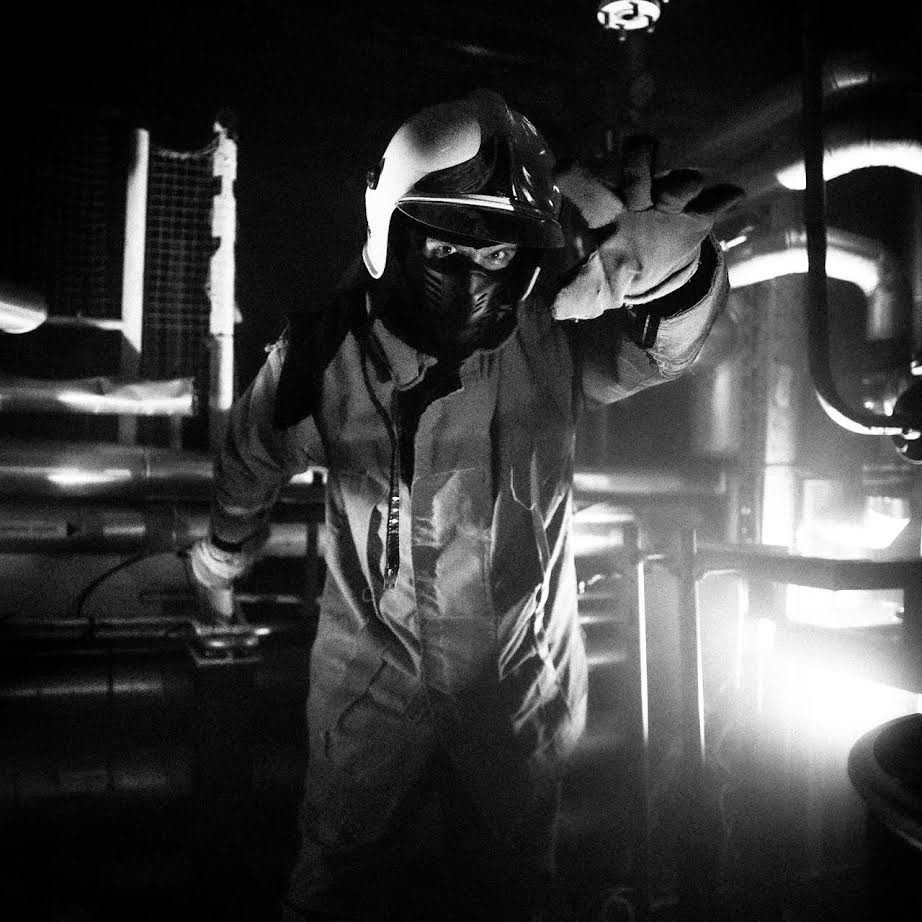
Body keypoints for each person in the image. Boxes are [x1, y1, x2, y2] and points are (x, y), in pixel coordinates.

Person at [189, 88, 741, 921]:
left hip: (519, 673)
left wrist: (678, 285)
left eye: (497, 253)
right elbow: (250, 458)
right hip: (372, 671)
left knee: (510, 887)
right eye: (448, 247)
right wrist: (222, 554)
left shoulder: (550, 332)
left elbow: (649, 354)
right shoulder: (324, 354)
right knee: (338, 877)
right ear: (393, 230)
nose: (475, 276)